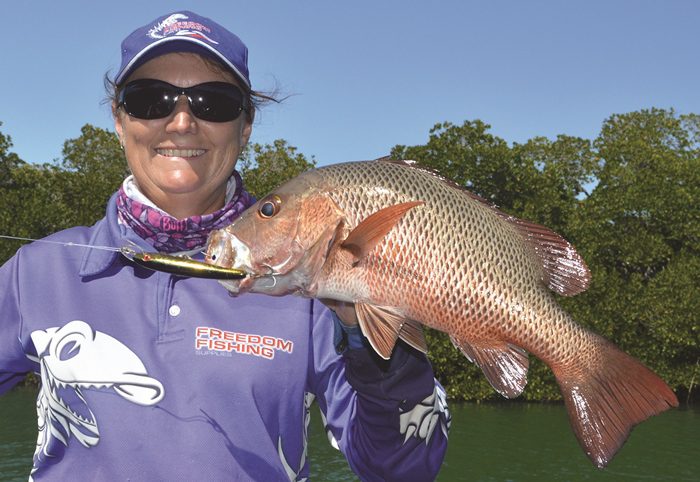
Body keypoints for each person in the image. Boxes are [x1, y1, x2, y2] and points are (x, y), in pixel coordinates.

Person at [0, 10, 450, 481]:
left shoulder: (319, 287)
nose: (180, 122)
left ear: (246, 125)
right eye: (150, 99)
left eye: (213, 102)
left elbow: (405, 470)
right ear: (119, 120)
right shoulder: (36, 270)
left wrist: (378, 346)